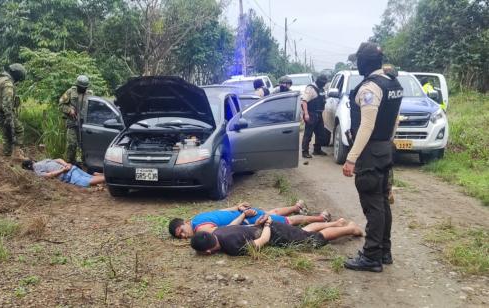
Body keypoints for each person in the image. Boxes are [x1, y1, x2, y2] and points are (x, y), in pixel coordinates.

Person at [342, 42, 403, 272]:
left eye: (358, 60)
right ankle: (384, 251)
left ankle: (371, 256)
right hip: (385, 149)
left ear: (363, 62)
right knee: (382, 202)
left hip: (370, 153)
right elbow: (396, 118)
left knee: (373, 205)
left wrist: (351, 158)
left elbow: (366, 125)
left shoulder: (370, 88)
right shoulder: (392, 83)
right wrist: (389, 140)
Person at [190, 215, 363, 256]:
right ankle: (337, 223)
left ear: (208, 252)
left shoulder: (232, 247)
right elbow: (235, 226)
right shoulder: (218, 231)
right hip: (264, 225)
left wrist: (267, 225)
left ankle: (350, 229)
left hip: (272, 231)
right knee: (305, 232)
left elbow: (263, 241)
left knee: (313, 240)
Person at [168, 201, 332, 239]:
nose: (183, 235)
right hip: (244, 214)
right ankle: (296, 206)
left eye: (181, 231)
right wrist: (236, 207)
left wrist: (241, 213)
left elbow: (226, 230)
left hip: (247, 218)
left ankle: (320, 218)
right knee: (273, 212)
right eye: (180, 236)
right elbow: (219, 211)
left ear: (185, 222)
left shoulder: (200, 228)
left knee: (288, 222)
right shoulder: (197, 218)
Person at [0, 63, 27, 159]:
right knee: (18, 130)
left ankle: (9, 154)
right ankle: (15, 154)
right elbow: (6, 104)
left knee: (7, 135)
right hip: (3, 113)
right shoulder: (7, 83)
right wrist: (9, 117)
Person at [59, 75, 93, 165]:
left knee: (85, 145)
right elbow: (61, 105)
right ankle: (69, 163)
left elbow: (93, 109)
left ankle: (86, 163)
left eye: (84, 88)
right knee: (72, 144)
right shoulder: (70, 92)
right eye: (80, 87)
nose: (82, 89)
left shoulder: (90, 94)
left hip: (85, 124)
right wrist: (69, 110)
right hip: (72, 122)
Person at [21, 158, 105, 187]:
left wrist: (63, 170)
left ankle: (109, 178)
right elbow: (58, 159)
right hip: (72, 168)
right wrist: (66, 164)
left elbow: (49, 175)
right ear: (32, 162)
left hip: (68, 174)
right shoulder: (43, 161)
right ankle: (105, 176)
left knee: (87, 181)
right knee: (91, 178)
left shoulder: (37, 171)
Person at [301, 75, 329, 158]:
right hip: (311, 114)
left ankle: (317, 150)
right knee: (308, 134)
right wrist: (306, 114)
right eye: (323, 83)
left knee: (320, 133)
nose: (324, 85)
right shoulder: (311, 89)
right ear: (319, 82)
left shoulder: (321, 89)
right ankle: (305, 151)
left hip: (319, 114)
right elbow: (304, 102)